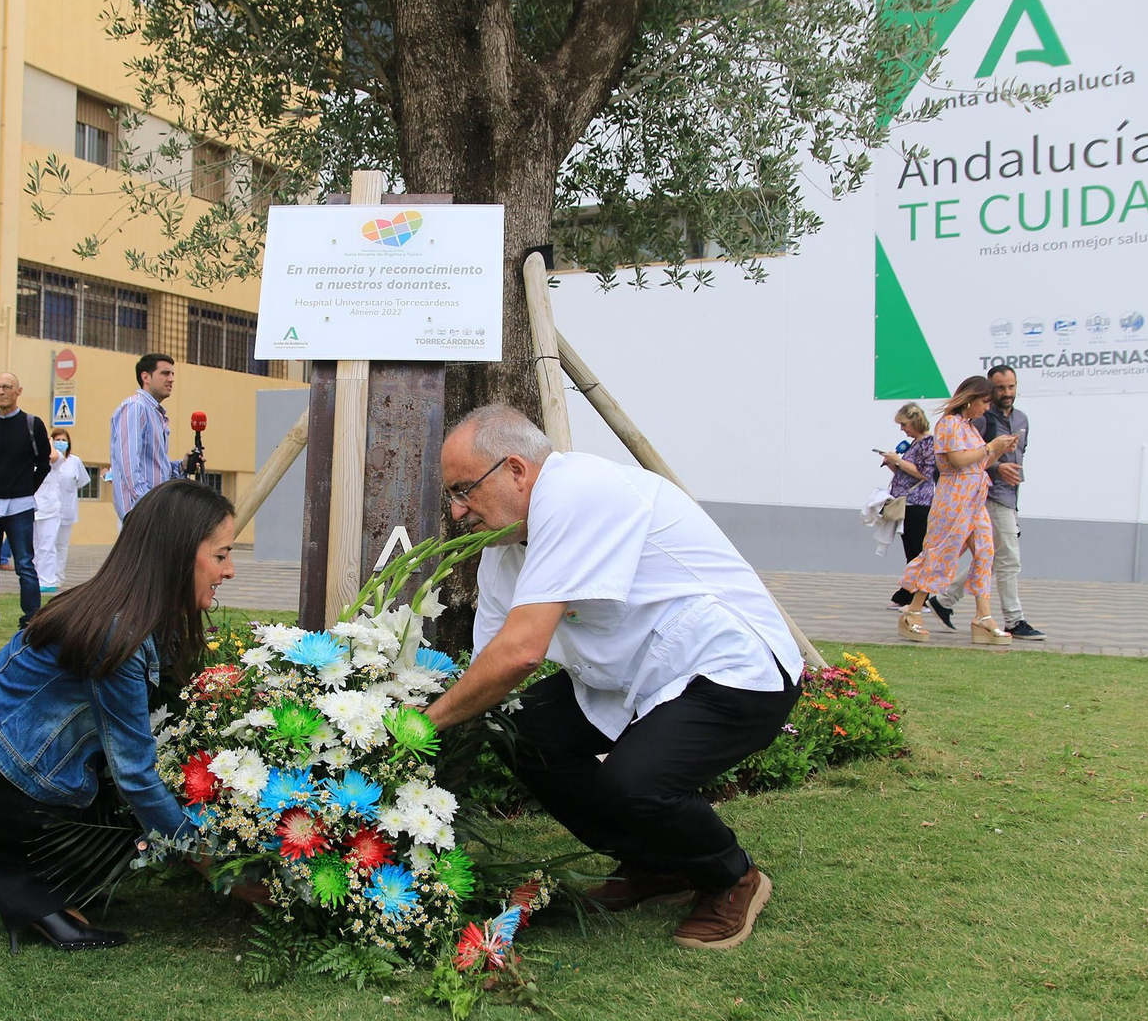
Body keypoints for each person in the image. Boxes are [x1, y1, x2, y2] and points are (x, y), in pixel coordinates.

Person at [423, 405, 801, 950]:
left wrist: (422, 724)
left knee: (636, 782)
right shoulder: (503, 554)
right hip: (634, 679)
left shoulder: (576, 491)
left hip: (732, 668)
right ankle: (656, 866)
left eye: (464, 490)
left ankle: (731, 877)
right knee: (521, 731)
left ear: (516, 470)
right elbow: (489, 668)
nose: (457, 511)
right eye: (452, 496)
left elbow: (520, 654)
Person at [0, 479, 235, 951]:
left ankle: (56, 883)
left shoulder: (132, 610)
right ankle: (37, 897)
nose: (230, 570)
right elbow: (135, 775)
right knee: (141, 806)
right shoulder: (119, 632)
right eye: (220, 555)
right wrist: (214, 863)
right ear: (179, 554)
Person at [895, 376, 1019, 645]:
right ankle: (912, 610)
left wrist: (998, 451)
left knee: (985, 552)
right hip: (954, 499)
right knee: (941, 553)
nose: (987, 408)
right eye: (984, 402)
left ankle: (983, 616)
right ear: (970, 399)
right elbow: (957, 460)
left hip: (975, 498)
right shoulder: (949, 423)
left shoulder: (969, 427)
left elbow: (978, 464)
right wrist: (990, 447)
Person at [931, 365, 1044, 639]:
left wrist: (1005, 462)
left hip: (1008, 495)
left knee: (988, 557)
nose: (1007, 393)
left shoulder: (1021, 419)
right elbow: (965, 459)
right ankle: (1014, 619)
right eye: (1000, 388)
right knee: (1007, 558)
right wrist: (997, 465)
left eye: (1011, 386)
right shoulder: (979, 418)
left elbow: (1016, 455)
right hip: (985, 496)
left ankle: (944, 600)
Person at [0, 372, 50, 641]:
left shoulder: (32, 424)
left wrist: (25, 489)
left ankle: (31, 621)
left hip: (20, 505)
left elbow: (43, 464)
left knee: (25, 565)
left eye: (7, 387)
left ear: (18, 391)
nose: (1, 391)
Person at [109, 353, 200, 519]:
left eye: (172, 374)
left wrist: (182, 467)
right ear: (146, 377)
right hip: (141, 510)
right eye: (165, 373)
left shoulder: (155, 413)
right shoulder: (136, 407)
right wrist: (148, 503)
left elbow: (156, 469)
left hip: (154, 508)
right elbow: (128, 463)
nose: (171, 379)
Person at [882, 402, 937, 609]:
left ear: (915, 422)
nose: (902, 429)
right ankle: (907, 593)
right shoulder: (915, 443)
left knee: (917, 550)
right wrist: (893, 464)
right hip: (908, 502)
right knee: (910, 550)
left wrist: (899, 461)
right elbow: (907, 474)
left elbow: (925, 474)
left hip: (919, 503)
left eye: (904, 424)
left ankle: (919, 597)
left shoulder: (928, 443)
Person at [34, 427, 90, 593]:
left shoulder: (73, 461)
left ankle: (57, 576)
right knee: (45, 544)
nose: (60, 443)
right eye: (56, 439)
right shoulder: (44, 459)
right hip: (45, 508)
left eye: (63, 440)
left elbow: (82, 482)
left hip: (65, 508)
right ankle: (45, 576)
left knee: (60, 545)